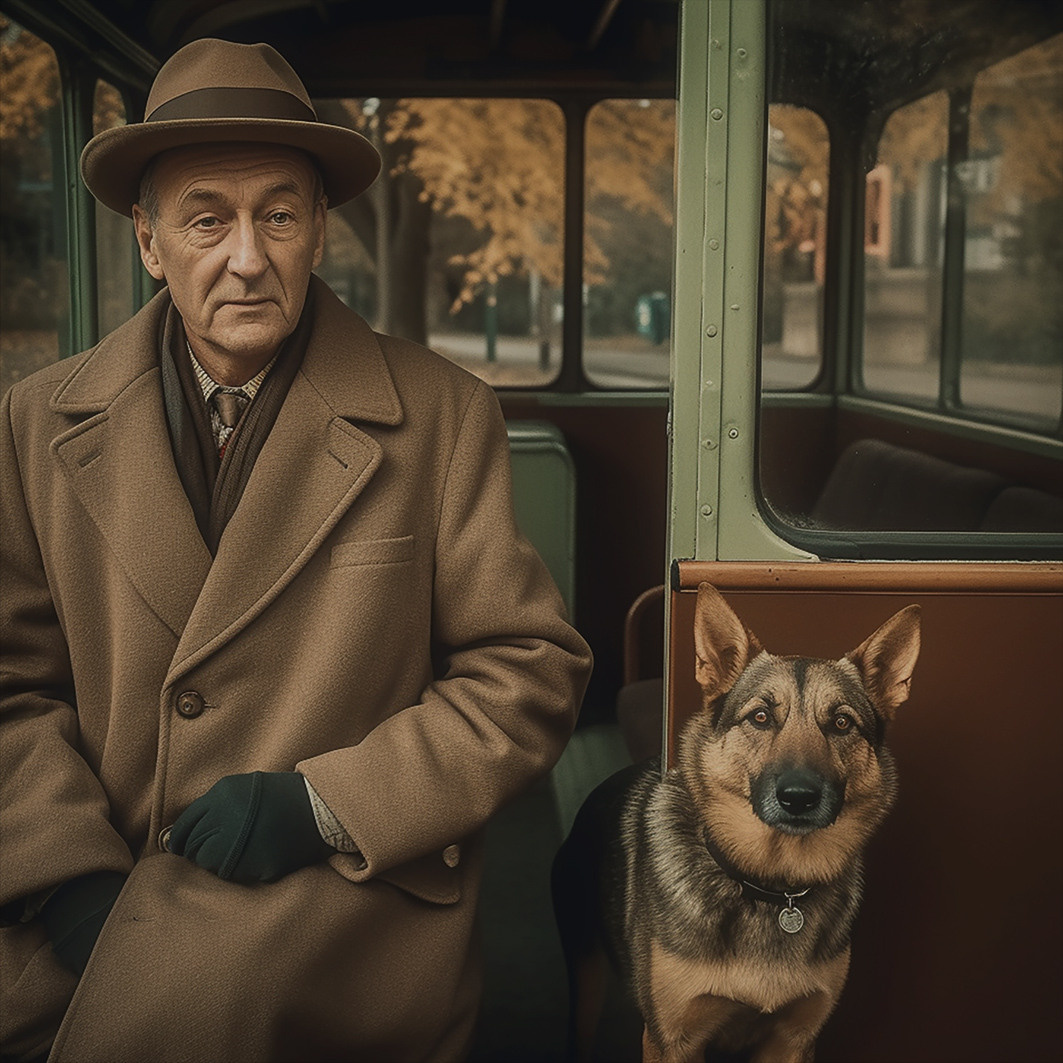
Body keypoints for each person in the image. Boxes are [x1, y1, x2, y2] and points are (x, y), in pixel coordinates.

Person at [0, 38, 591, 1063]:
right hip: (89, 890)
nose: (246, 255)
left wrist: (321, 804)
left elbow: (527, 673)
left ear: (320, 230)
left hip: (334, 898)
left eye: (277, 214)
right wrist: (67, 878)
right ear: (149, 243)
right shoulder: (36, 421)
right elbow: (11, 686)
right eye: (205, 220)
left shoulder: (443, 416)